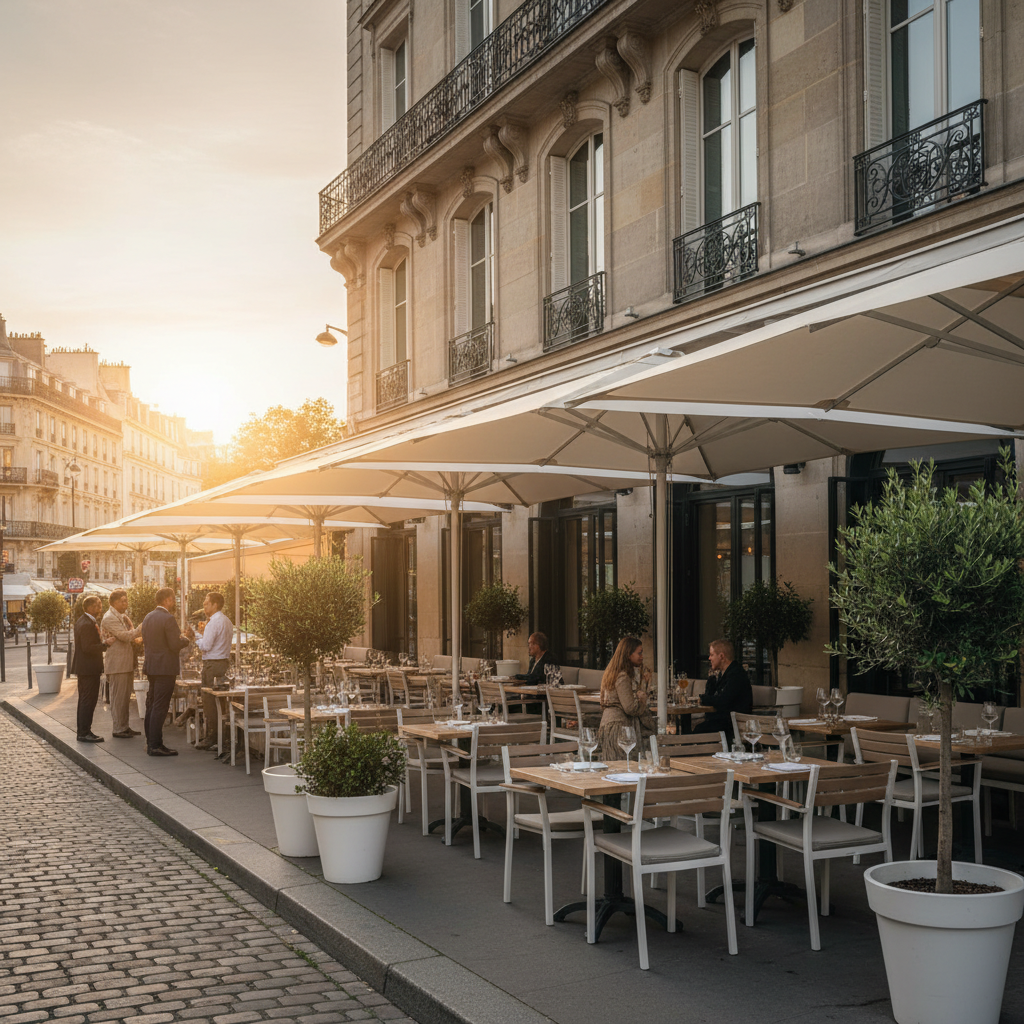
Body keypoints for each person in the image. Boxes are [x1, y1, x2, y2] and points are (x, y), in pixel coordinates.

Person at [140, 587, 191, 757]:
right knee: (160, 706)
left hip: (152, 666)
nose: (174, 602)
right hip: (165, 668)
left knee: (151, 704)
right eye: (173, 598)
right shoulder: (168, 618)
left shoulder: (148, 617)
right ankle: (155, 745)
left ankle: (150, 741)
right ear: (167, 600)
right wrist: (185, 640)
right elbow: (174, 644)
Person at [597, 636, 655, 760]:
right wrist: (643, 698)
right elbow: (630, 708)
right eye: (639, 653)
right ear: (628, 654)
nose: (642, 656)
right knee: (621, 766)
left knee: (614, 766)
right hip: (619, 728)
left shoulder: (614, 673)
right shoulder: (622, 676)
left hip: (611, 725)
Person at [193, 591, 234, 750]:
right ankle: (221, 736)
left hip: (212, 664)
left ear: (215, 605)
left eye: (206, 603)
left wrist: (196, 636)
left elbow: (206, 646)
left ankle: (212, 737)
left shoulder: (213, 622)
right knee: (221, 703)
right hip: (223, 663)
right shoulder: (227, 621)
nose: (204, 606)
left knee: (209, 701)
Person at [101, 589, 142, 738]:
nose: (126, 604)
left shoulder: (122, 617)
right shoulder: (109, 618)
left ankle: (124, 726)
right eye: (123, 601)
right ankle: (118, 728)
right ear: (114, 602)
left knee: (125, 698)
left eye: (126, 601)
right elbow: (124, 636)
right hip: (118, 665)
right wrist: (140, 629)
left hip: (125, 663)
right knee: (118, 698)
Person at [693, 638, 752, 741]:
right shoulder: (723, 674)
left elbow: (723, 701)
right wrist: (711, 678)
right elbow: (711, 696)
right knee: (697, 730)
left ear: (721, 656)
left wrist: (701, 699)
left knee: (697, 732)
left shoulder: (736, 675)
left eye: (712, 655)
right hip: (721, 722)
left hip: (732, 726)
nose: (709, 658)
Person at [73, 595, 112, 742]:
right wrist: (105, 644)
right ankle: (84, 732)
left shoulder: (85, 621)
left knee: (86, 700)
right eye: (98, 605)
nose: (100, 608)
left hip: (86, 668)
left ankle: (85, 731)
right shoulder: (86, 624)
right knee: (88, 700)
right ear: (90, 607)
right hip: (88, 669)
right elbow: (88, 647)